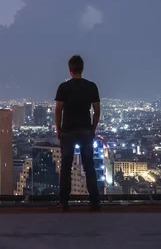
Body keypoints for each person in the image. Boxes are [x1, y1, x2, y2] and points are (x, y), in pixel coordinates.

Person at [54, 55, 101, 211]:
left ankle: (64, 201)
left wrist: (58, 129)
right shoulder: (91, 86)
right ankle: (95, 201)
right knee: (89, 166)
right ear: (82, 68)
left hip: (67, 131)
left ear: (70, 69)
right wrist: (93, 129)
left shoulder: (63, 87)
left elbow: (58, 110)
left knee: (66, 167)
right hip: (86, 131)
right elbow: (97, 110)